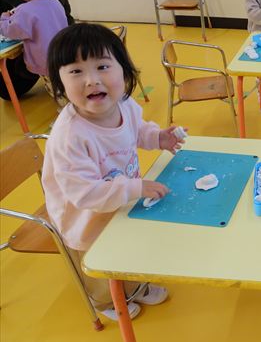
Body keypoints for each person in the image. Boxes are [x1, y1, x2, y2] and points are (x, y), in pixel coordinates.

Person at [42, 23, 187, 321]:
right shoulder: (71, 136)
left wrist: (157, 138)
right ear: (59, 82)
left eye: (103, 66)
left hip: (119, 198)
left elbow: (137, 130)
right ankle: (106, 301)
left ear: (124, 70)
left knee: (127, 247)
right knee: (99, 260)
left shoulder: (124, 105)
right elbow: (84, 194)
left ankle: (135, 286)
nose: (92, 80)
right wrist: (135, 188)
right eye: (76, 71)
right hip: (83, 216)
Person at [0, 0, 67, 100]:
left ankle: (66, 109)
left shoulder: (25, 11)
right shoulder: (54, 1)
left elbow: (11, 31)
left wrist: (4, 18)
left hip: (45, 62)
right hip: (64, 54)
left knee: (57, 90)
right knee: (66, 84)